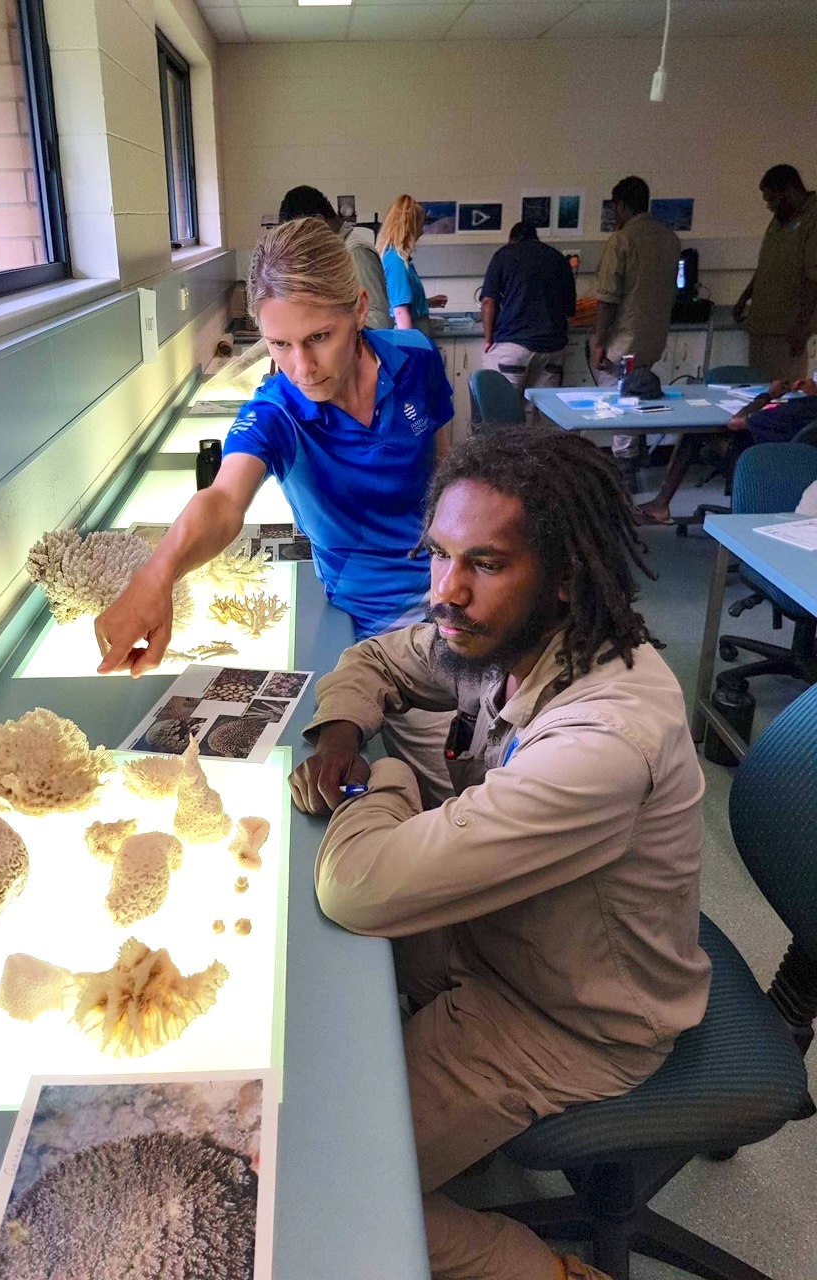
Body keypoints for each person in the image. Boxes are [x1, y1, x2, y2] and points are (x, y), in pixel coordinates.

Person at [290, 427, 710, 1280]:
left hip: (566, 1017)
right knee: (300, 1010)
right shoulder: (503, 641)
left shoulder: (602, 738)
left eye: (484, 564)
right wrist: (339, 726)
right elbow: (377, 657)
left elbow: (357, 887)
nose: (446, 592)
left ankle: (537, 1267)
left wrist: (385, 779)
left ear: (563, 577)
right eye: (440, 554)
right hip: (496, 938)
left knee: (309, 1191)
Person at [93, 216, 454, 676]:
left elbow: (450, 479)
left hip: (460, 596)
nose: (302, 368)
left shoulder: (417, 357)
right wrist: (158, 573)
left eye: (319, 337)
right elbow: (222, 500)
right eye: (279, 344)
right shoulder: (275, 414)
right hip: (381, 632)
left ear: (360, 310)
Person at [594, 176, 680, 490]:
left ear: (621, 205)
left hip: (623, 342)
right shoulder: (669, 238)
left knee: (620, 408)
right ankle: (637, 458)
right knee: (641, 398)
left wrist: (599, 342)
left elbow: (607, 298)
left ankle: (624, 473)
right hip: (653, 340)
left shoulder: (622, 240)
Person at [637, 377, 817, 525]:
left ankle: (661, 504)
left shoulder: (793, 410)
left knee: (693, 435)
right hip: (809, 468)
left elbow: (736, 422)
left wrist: (768, 395)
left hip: (762, 461)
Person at [480, 222, 577, 418]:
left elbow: (488, 301)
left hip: (514, 348)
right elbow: (569, 310)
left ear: (512, 239)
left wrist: (489, 339)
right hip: (552, 350)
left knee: (501, 416)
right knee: (541, 417)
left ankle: (501, 450)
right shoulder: (558, 258)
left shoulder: (504, 255)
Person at [734, 164, 817, 382]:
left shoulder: (812, 219)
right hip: (762, 325)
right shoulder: (780, 219)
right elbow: (768, 264)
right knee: (758, 391)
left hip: (788, 331)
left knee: (783, 394)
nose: (770, 206)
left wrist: (802, 327)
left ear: (789, 191)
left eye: (773, 199)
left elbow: (813, 280)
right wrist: (745, 297)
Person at [278, 185, 393, 330]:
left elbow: (379, 321)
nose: (301, 246)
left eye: (301, 237)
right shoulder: (330, 255)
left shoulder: (355, 251)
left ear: (318, 222)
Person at [377, 194, 448, 336]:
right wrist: (412, 349)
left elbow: (403, 303)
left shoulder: (397, 259)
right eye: (421, 225)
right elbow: (400, 311)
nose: (422, 231)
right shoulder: (396, 261)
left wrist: (426, 302)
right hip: (412, 335)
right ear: (411, 227)